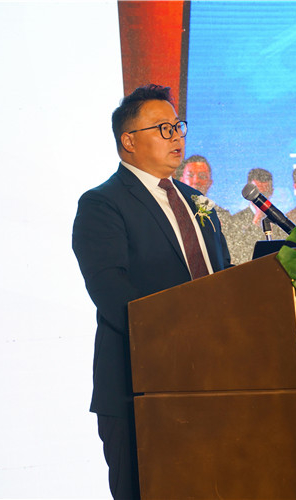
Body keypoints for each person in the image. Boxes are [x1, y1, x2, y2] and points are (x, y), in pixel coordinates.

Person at [72, 84, 231, 499]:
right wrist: (186, 337)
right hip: (141, 388)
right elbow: (111, 290)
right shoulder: (103, 204)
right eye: (163, 129)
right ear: (129, 141)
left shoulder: (199, 203)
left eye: (178, 126)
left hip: (217, 383)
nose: (177, 136)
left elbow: (224, 281)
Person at [223, 168, 284, 264]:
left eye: (265, 194)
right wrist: (257, 219)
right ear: (249, 194)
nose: (261, 199)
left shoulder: (278, 218)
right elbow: (236, 252)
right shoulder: (235, 220)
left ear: (272, 191)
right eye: (258, 194)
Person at [175, 154, 230, 222]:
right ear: (181, 181)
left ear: (210, 183)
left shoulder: (221, 215)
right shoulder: (170, 210)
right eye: (190, 176)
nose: (196, 181)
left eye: (202, 176)